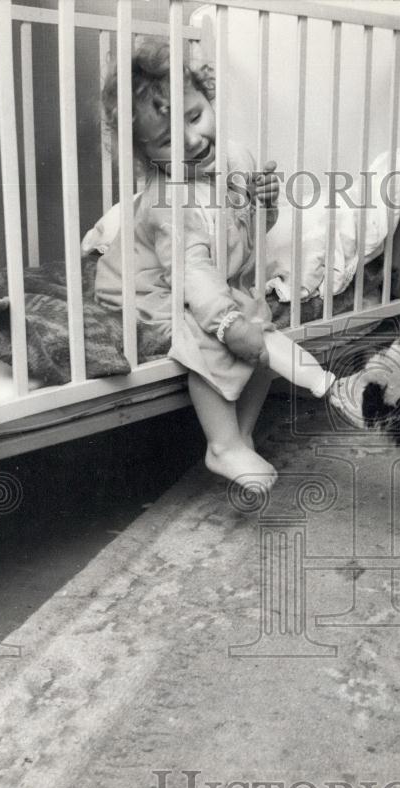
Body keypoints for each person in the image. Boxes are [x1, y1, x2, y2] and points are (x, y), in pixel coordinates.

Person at [96, 39, 335, 493]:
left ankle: (242, 432)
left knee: (260, 320)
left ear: (207, 98)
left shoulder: (235, 160)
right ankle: (221, 444)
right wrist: (223, 321)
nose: (191, 139)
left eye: (195, 116)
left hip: (199, 277)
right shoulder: (168, 199)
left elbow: (246, 231)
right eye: (167, 140)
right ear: (147, 156)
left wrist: (266, 206)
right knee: (201, 334)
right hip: (144, 286)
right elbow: (188, 269)